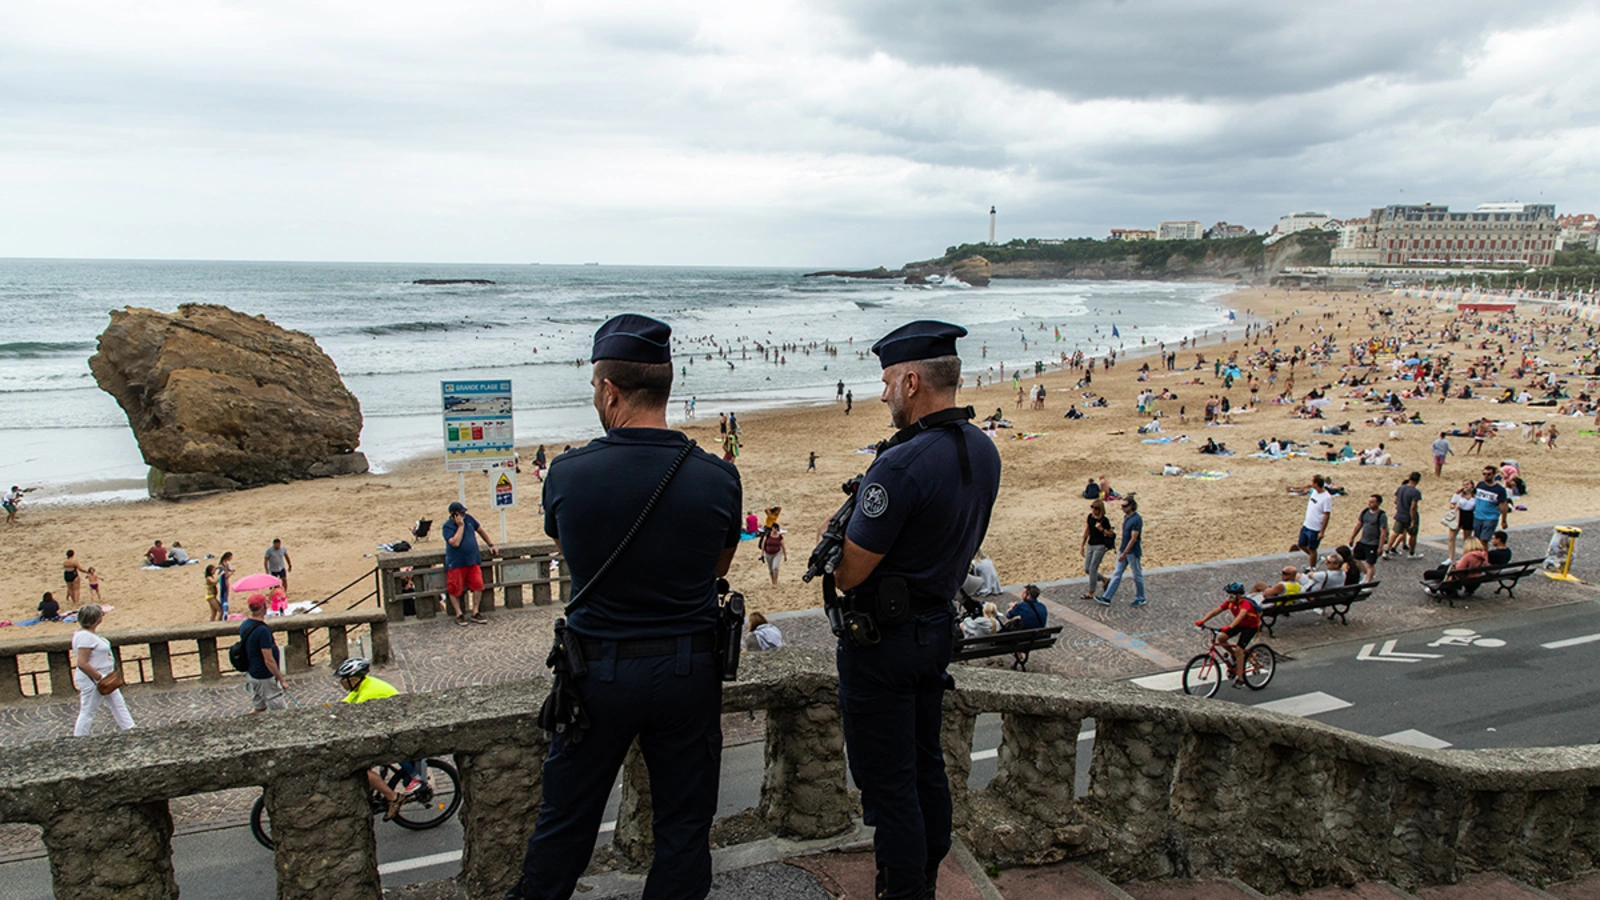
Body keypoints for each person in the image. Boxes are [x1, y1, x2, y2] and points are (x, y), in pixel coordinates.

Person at [508, 313, 742, 900]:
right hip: (689, 669)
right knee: (684, 830)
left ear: (609, 391)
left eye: (594, 387)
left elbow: (574, 558)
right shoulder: (718, 478)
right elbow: (718, 568)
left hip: (598, 674)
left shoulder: (568, 474)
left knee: (564, 824)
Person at [826, 319, 1001, 900]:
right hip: (935, 628)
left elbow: (851, 570)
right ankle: (924, 877)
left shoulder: (899, 464)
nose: (879, 396)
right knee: (927, 767)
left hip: (885, 643)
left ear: (909, 382)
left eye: (883, 383)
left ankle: (903, 891)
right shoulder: (982, 448)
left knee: (890, 787)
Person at [334, 657, 421, 821]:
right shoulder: (363, 684)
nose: (341, 683)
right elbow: (347, 703)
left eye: (343, 680)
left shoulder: (369, 692)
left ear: (353, 679)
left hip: (398, 732)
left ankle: (393, 797)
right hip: (389, 726)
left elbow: (354, 714)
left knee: (363, 769)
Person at [71, 604, 135, 736]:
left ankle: (130, 729)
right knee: (88, 710)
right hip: (94, 678)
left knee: (118, 704)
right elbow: (82, 663)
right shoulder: (85, 637)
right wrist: (99, 678)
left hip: (104, 676)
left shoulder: (85, 634)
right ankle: (79, 738)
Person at [1195, 582, 1260, 689]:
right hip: (1240, 624)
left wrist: (1229, 627)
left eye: (1231, 596)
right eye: (1227, 595)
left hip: (1250, 626)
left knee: (1239, 650)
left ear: (1238, 596)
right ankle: (1234, 656)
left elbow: (1241, 616)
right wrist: (1203, 620)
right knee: (1221, 638)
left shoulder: (1245, 604)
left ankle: (1240, 679)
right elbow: (1216, 611)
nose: (1228, 598)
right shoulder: (1230, 603)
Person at [442, 502, 498, 626]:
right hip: (456, 562)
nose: (463, 514)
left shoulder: (469, 519)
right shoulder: (447, 527)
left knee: (478, 585)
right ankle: (459, 613)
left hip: (472, 560)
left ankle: (475, 611)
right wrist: (460, 526)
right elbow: (455, 543)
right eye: (460, 512)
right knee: (455, 589)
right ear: (453, 514)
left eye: (464, 512)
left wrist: (490, 544)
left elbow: (480, 530)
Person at [241, 594, 288, 712]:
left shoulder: (245, 624)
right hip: (264, 676)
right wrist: (281, 679)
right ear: (264, 607)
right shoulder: (263, 630)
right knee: (281, 710)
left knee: (259, 707)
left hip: (253, 673)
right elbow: (268, 659)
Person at [1292, 474, 1334, 569]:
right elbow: (1306, 488)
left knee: (1312, 548)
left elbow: (1327, 515)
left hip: (1315, 527)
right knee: (1301, 544)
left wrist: (1322, 531)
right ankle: (1316, 558)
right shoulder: (1314, 492)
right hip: (1307, 524)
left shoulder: (1326, 497)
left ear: (1316, 484)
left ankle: (1312, 567)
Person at [1424, 538, 1490, 598]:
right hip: (1475, 577)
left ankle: (1435, 590)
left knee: (1428, 573)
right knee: (1441, 567)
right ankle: (1449, 590)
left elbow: (1458, 569)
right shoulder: (1484, 555)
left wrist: (1458, 563)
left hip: (1461, 577)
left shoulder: (1469, 556)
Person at [1348, 494, 1388, 581]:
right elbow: (1359, 525)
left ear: (1378, 503)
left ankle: (1368, 582)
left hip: (1373, 543)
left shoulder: (1381, 515)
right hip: (1363, 540)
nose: (1369, 504)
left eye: (1372, 502)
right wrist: (1352, 537)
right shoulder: (1365, 512)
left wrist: (1380, 547)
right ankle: (1366, 574)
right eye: (1369, 501)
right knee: (1355, 558)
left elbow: (1383, 532)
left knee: (1370, 563)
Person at [1081, 499, 1115, 601]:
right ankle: (1104, 579)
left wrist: (1102, 529)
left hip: (1100, 545)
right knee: (1087, 568)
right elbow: (1087, 531)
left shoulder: (1104, 520)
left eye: (1095, 508)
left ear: (1100, 509)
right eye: (1092, 507)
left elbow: (1111, 534)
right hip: (1091, 544)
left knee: (1092, 568)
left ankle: (1091, 592)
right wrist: (1082, 545)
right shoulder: (1090, 517)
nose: (1093, 510)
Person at [1385, 472, 1422, 559]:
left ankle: (1387, 550)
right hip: (1408, 516)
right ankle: (1411, 553)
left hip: (1400, 514)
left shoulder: (1401, 488)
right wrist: (1413, 519)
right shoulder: (1415, 492)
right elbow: (1413, 507)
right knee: (1413, 535)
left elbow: (1395, 501)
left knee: (1395, 532)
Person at [1472, 465, 1510, 543]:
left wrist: (1504, 520)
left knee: (1484, 540)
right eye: (1484, 474)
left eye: (1488, 474)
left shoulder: (1499, 490)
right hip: (1478, 516)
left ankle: (1484, 555)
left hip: (1490, 517)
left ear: (1493, 475)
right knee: (1477, 540)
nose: (1486, 476)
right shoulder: (1480, 485)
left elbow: (1504, 505)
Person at [1446, 479, 1476, 564]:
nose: (1466, 486)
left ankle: (1465, 556)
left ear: (1472, 485)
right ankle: (1450, 558)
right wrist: (1453, 507)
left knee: (1466, 538)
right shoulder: (1458, 494)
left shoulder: (1475, 495)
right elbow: (1452, 503)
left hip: (1469, 515)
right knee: (1451, 537)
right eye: (1464, 484)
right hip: (1459, 514)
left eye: (1468, 484)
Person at [216, 551, 234, 618]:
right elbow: (225, 575)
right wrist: (231, 574)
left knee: (224, 594)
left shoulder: (224, 564)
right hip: (224, 580)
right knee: (225, 594)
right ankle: (225, 609)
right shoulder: (223, 565)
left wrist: (231, 571)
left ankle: (224, 608)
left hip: (224, 580)